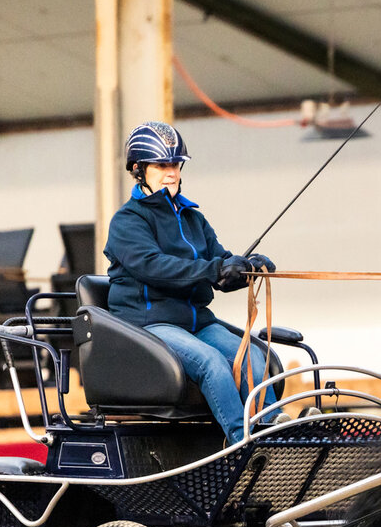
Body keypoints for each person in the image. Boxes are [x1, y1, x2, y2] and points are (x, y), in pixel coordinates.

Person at [104, 120, 275, 444]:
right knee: (211, 363)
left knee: (252, 356)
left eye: (176, 165)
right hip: (151, 324)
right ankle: (244, 444)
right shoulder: (127, 221)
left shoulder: (193, 218)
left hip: (196, 321)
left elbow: (219, 264)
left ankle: (273, 429)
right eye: (162, 165)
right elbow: (154, 267)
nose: (171, 172)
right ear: (139, 169)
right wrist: (214, 269)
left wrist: (248, 268)